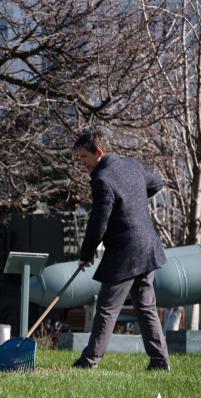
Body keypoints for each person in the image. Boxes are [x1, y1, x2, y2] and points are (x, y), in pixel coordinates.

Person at [71, 130, 170, 371]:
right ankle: (160, 362)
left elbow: (97, 224)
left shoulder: (102, 179)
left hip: (125, 253)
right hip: (147, 247)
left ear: (99, 153)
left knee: (107, 308)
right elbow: (157, 183)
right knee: (146, 308)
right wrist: (133, 197)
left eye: (84, 157)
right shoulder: (132, 165)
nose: (82, 162)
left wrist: (85, 255)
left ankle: (88, 362)